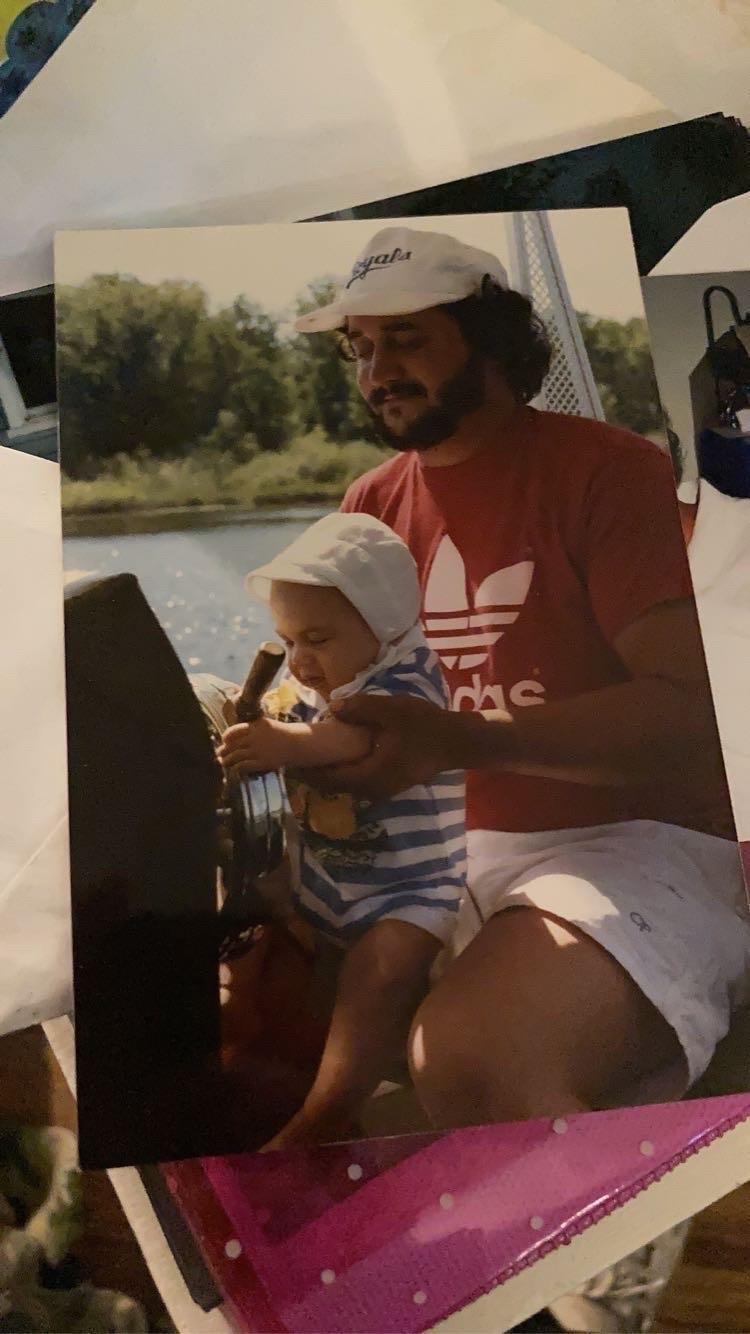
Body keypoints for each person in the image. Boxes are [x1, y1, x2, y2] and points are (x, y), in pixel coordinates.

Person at [289, 224, 750, 1130]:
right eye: (361, 347)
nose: (377, 368)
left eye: (406, 338)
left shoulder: (611, 472)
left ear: (492, 340)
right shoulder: (370, 504)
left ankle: (619, 1265)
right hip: (441, 860)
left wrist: (467, 740)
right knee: (228, 1004)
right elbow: (352, 693)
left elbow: (693, 717)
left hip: (638, 846)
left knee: (471, 1059)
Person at [218, 511, 466, 1149]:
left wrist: (279, 743)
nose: (299, 660)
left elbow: (346, 739)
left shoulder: (409, 682)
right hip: (326, 886)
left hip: (409, 892)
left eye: (317, 639)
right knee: (273, 949)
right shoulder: (316, 683)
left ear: (382, 624)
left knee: (375, 979)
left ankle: (319, 1120)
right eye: (288, 640)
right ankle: (253, 1059)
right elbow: (285, 718)